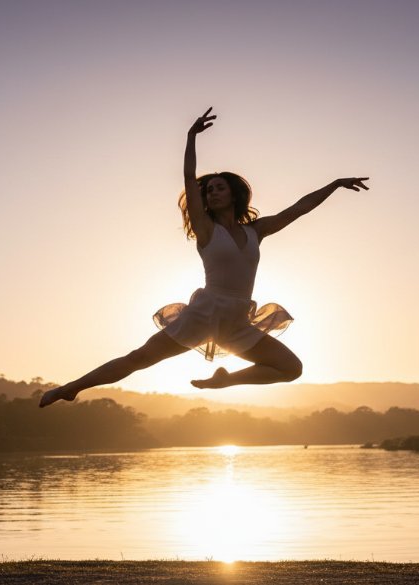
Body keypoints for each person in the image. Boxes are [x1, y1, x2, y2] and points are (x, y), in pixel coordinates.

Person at [39, 107, 369, 408]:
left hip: (237, 320)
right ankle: (71, 387)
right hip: (204, 313)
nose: (212, 192)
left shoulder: (257, 231)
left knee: (291, 368)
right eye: (208, 189)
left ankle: (226, 381)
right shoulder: (206, 229)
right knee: (138, 358)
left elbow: (299, 208)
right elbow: (187, 179)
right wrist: (190, 137)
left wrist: (335, 184)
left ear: (234, 194)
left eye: (219, 187)